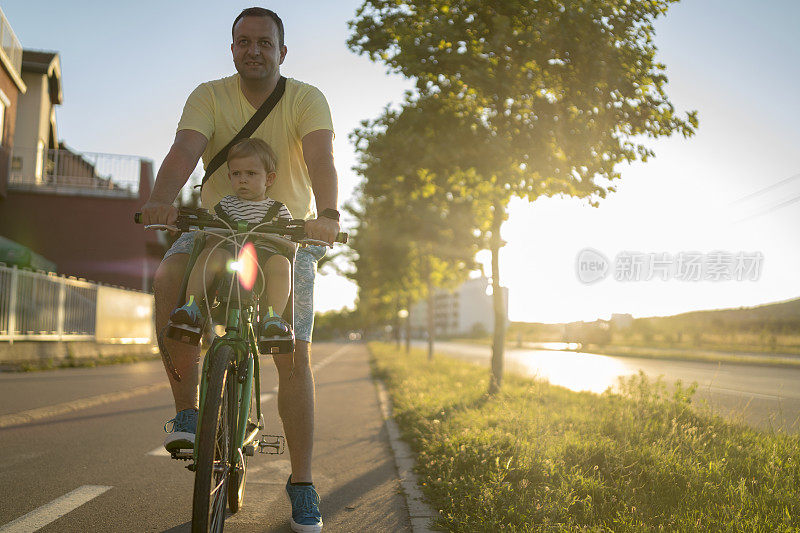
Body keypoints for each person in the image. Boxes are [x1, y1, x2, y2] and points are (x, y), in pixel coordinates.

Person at [140, 8, 339, 532]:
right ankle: (188, 412)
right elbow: (185, 149)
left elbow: (321, 160)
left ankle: (301, 483)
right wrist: (162, 199)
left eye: (265, 43)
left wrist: (328, 216)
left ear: (282, 51)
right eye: (243, 41)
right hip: (215, 225)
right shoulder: (208, 95)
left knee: (293, 351)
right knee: (166, 279)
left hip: (287, 232)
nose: (254, 50)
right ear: (232, 48)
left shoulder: (305, 98)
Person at [168, 137, 294, 342]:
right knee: (210, 253)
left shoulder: (277, 209)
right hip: (230, 255)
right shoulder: (226, 205)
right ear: (229, 176)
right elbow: (211, 229)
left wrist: (287, 235)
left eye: (251, 174)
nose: (242, 179)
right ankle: (190, 306)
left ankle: (273, 317)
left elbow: (290, 239)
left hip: (264, 260)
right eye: (236, 174)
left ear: (269, 179)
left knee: (282, 262)